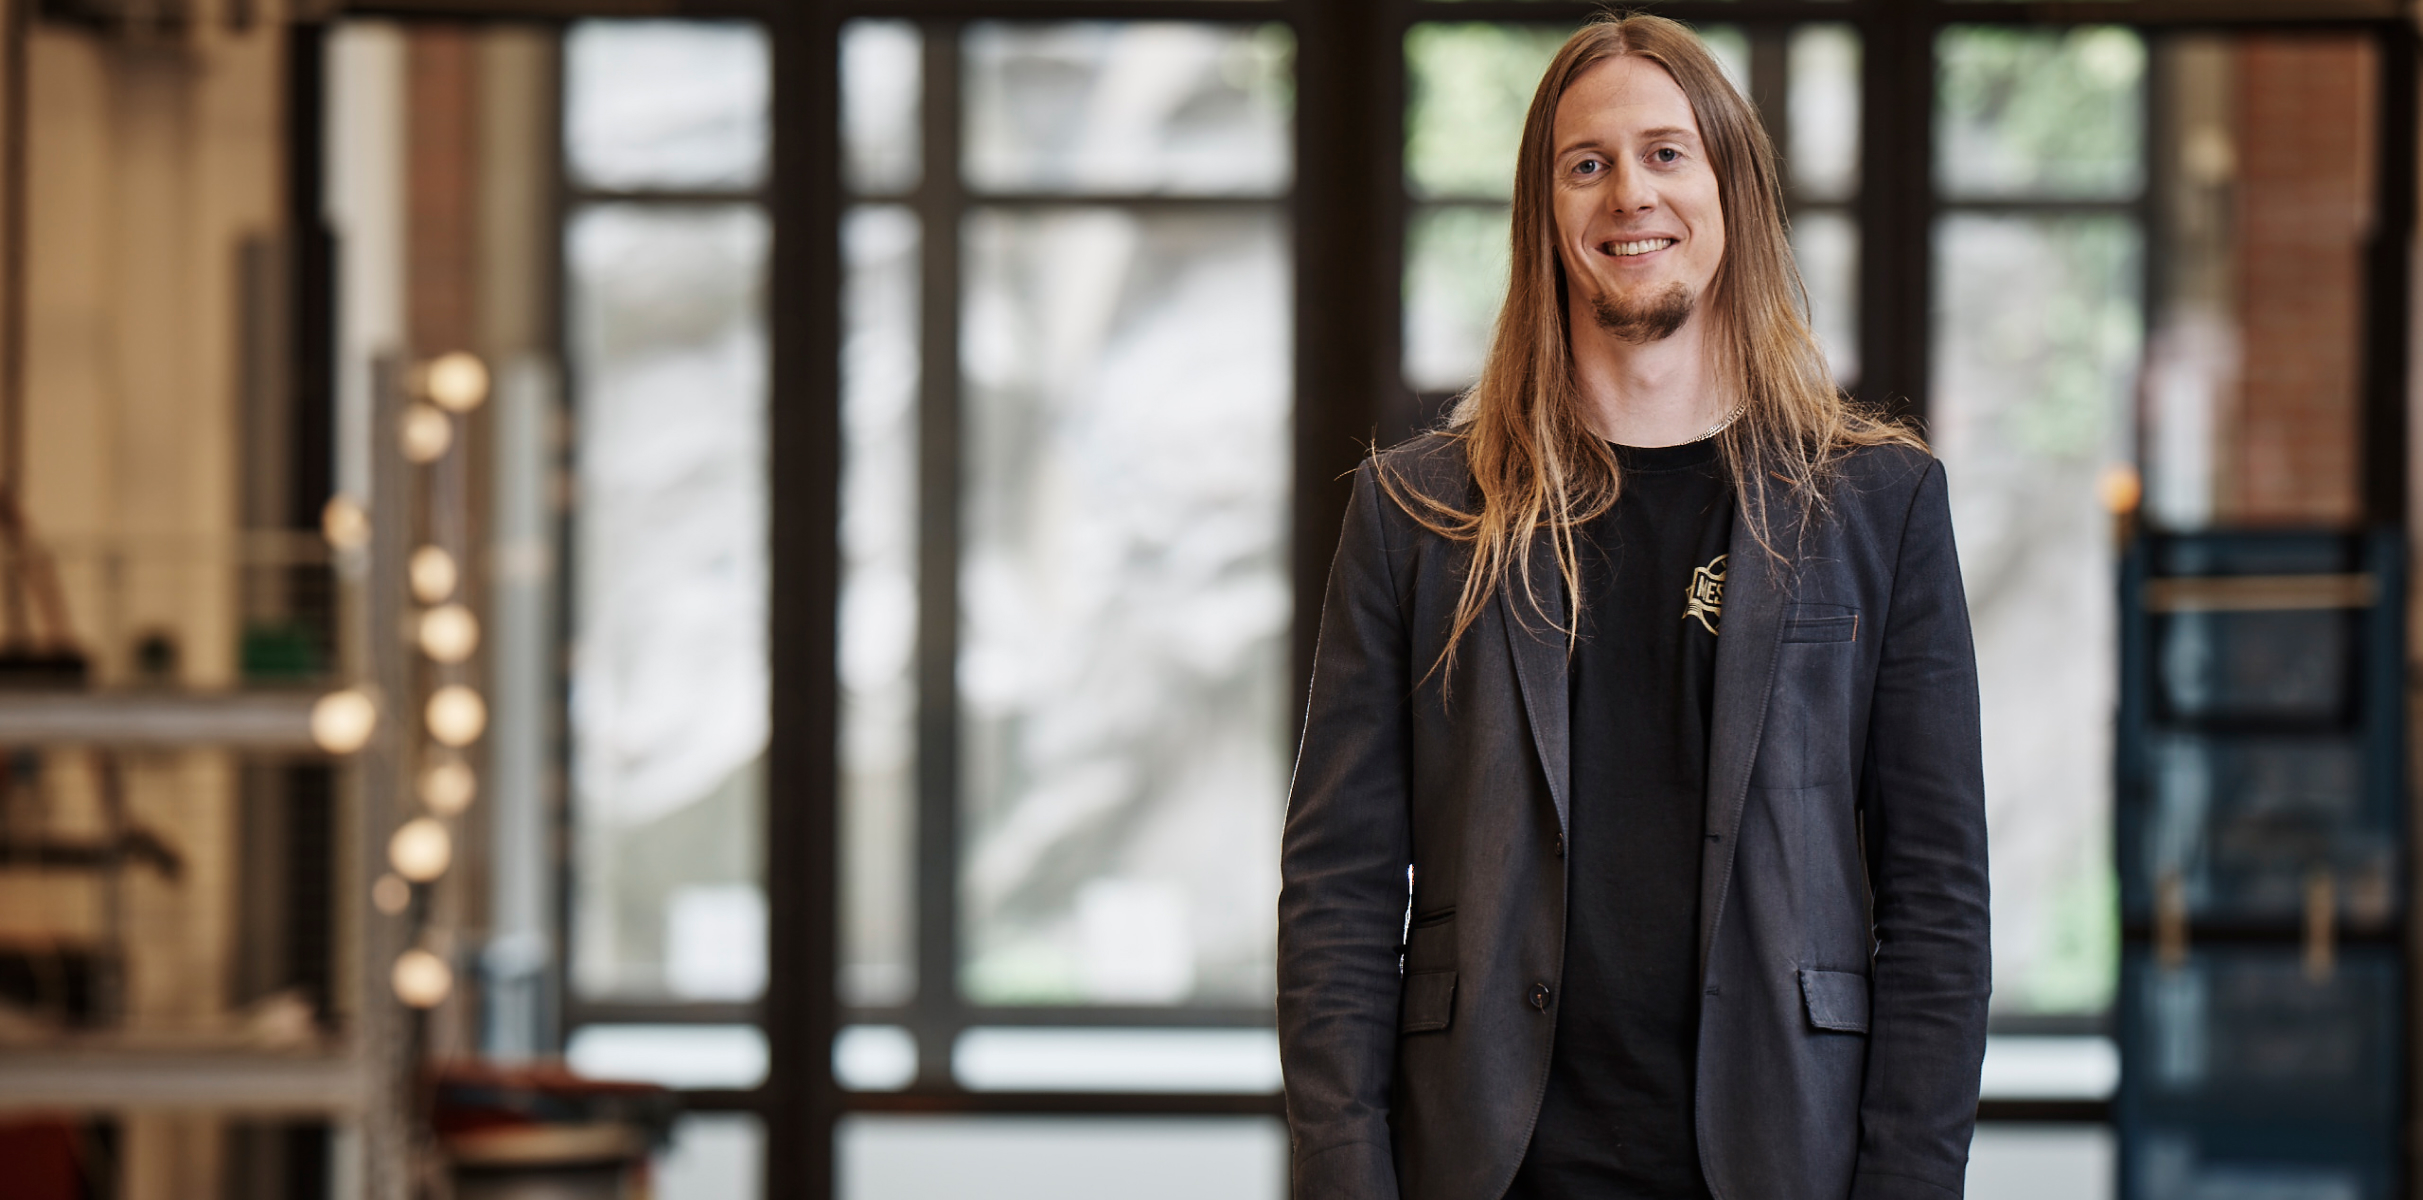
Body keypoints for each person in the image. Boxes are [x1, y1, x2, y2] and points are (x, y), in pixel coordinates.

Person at [1276, 13, 1990, 1200]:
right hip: (1487, 1164)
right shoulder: (1416, 515)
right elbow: (1338, 893)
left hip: (1781, 1158)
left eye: (1666, 153)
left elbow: (1937, 904)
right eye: (1585, 162)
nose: (1627, 196)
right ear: (1542, 211)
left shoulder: (1875, 504)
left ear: (1728, 190)